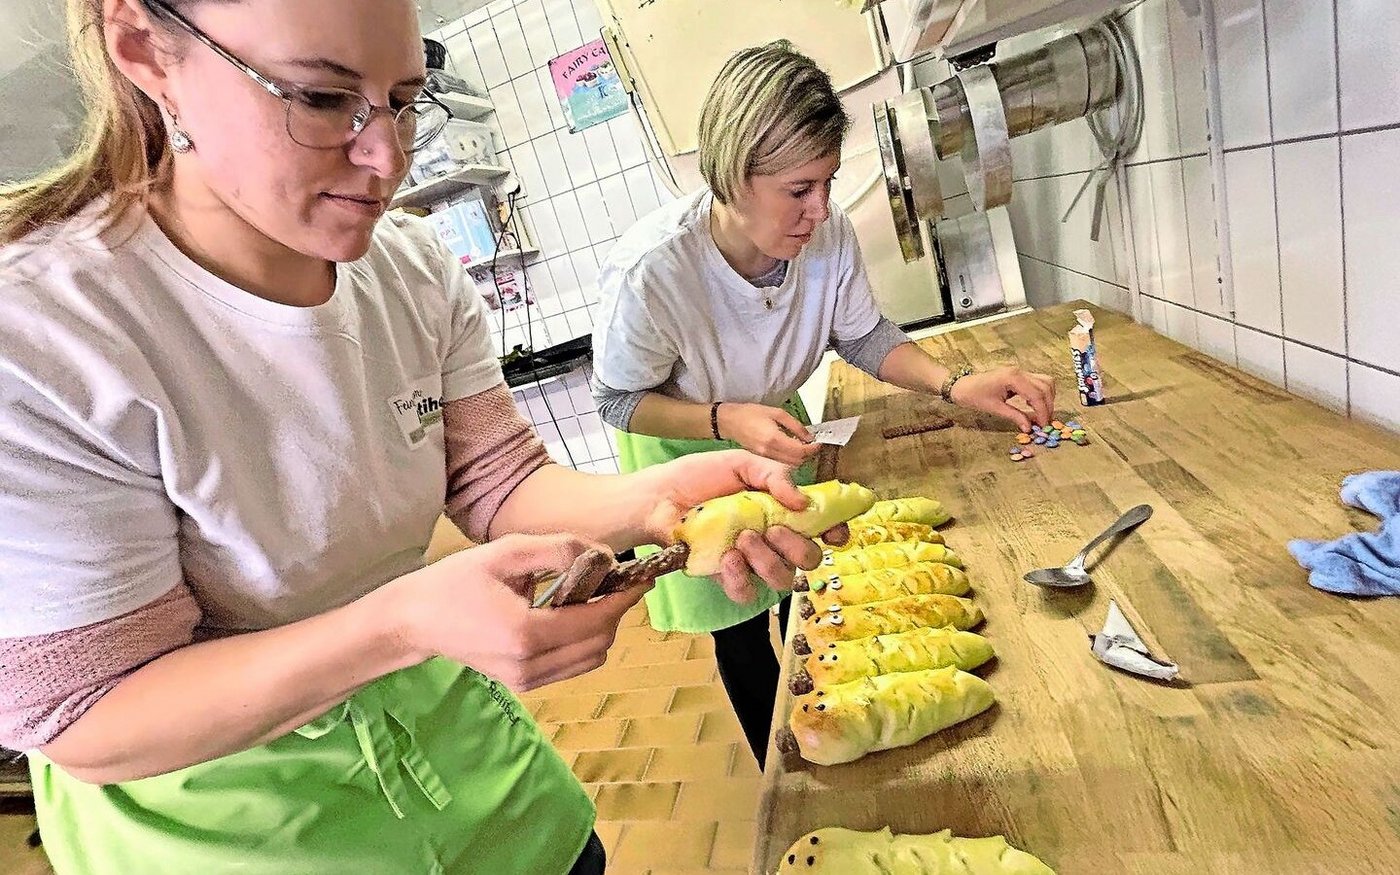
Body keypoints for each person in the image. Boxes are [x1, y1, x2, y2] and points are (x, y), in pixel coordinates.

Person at [0, 4, 844, 873]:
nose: (386, 157)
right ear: (144, 49)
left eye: (405, 99)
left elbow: (496, 480)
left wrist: (660, 503)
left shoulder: (407, 268)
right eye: (325, 98)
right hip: (252, 843)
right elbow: (89, 714)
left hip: (490, 795)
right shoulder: (42, 342)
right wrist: (405, 625)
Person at [590, 41, 1057, 768]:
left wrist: (954, 383)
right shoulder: (654, 274)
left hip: (772, 428)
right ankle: (788, 765)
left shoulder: (827, 236)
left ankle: (828, 705)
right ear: (733, 177)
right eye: (799, 189)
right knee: (740, 624)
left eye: (828, 182)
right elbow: (617, 400)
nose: (821, 210)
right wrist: (721, 420)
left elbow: (863, 333)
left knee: (801, 587)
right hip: (682, 447)